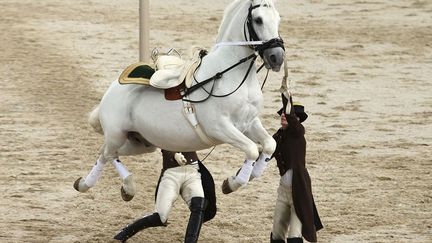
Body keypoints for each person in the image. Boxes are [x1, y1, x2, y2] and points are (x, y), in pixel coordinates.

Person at [114, 150, 216, 243]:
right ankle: (124, 234)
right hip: (171, 174)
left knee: (199, 206)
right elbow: (160, 139)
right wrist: (174, 154)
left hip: (192, 171)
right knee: (160, 217)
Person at [270, 95, 323, 243]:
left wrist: (286, 94)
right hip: (283, 192)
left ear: (296, 119)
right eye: (282, 114)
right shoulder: (279, 136)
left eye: (286, 115)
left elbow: (290, 116)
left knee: (294, 235)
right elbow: (266, 152)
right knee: (277, 234)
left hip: (298, 192)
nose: (283, 116)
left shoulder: (298, 132)